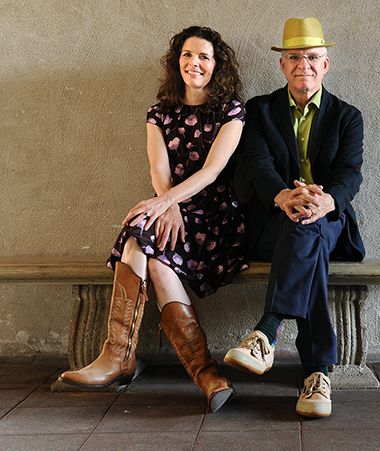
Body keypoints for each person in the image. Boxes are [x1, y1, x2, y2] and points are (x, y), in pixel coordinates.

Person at [57, 26, 248, 413]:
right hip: (171, 209)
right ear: (177, 61)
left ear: (217, 65)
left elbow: (212, 172)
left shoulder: (232, 110)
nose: (195, 63)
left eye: (204, 57)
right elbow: (159, 168)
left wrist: (165, 204)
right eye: (188, 56)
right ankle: (203, 374)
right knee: (147, 249)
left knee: (141, 227)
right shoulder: (159, 113)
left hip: (214, 221)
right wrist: (166, 204)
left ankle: (119, 358)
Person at [225, 17, 364, 418]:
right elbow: (256, 164)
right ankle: (316, 375)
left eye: (313, 57)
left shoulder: (347, 116)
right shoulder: (260, 110)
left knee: (311, 227)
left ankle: (267, 330)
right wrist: (285, 195)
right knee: (306, 238)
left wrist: (326, 201)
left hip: (331, 222)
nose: (304, 64)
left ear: (326, 65)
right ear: (282, 65)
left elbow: (350, 174)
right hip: (274, 224)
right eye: (295, 57)